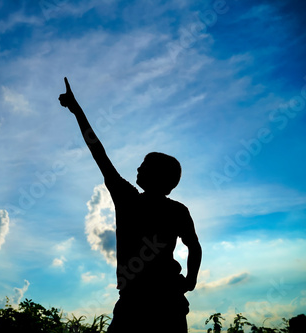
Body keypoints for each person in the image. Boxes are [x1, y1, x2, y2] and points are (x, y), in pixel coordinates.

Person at [59, 77, 202, 332]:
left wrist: (77, 111)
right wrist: (189, 281)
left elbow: (97, 151)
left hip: (144, 302)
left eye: (144, 166)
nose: (138, 168)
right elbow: (195, 246)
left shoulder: (129, 199)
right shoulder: (176, 210)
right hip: (163, 302)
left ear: (157, 176)